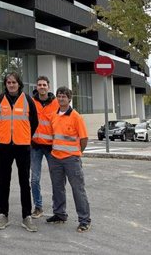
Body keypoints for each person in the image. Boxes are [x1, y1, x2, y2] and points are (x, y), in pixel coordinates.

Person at [0, 72, 38, 232]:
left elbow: (35, 122)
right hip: (4, 146)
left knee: (24, 183)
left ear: (19, 84)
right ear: (5, 84)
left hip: (22, 147)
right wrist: (2, 136)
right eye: (8, 82)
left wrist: (25, 137)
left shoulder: (28, 100)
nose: (11, 85)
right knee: (4, 181)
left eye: (14, 82)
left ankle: (27, 216)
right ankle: (3, 214)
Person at [47, 86, 91, 232]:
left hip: (71, 159)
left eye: (64, 96)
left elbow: (84, 139)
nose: (61, 99)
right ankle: (59, 214)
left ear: (69, 99)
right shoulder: (54, 115)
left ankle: (84, 220)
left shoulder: (76, 117)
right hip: (55, 158)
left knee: (78, 190)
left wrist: (76, 153)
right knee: (57, 188)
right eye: (59, 96)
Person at [30, 76, 59, 218]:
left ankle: (58, 208)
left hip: (51, 147)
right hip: (35, 146)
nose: (42, 87)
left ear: (48, 87)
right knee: (34, 179)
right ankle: (38, 207)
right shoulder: (31, 102)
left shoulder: (56, 103)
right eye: (39, 84)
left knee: (56, 179)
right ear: (36, 87)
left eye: (44, 85)